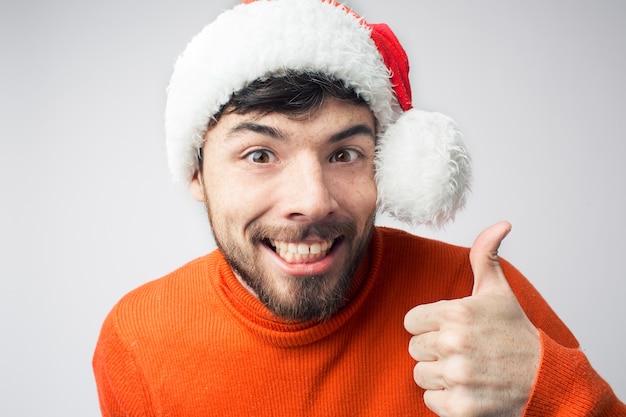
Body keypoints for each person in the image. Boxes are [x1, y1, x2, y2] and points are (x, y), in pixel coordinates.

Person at [92, 0, 626, 416]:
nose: (312, 200)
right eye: (260, 154)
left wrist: (547, 390)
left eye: (344, 154)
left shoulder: (478, 298)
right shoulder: (138, 337)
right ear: (196, 172)